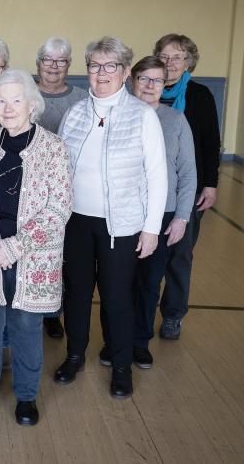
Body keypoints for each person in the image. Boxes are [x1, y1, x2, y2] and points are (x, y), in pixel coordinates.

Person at [54, 37, 167, 399]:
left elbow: (157, 175)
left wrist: (151, 229)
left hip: (122, 224)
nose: (101, 74)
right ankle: (74, 355)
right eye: (94, 66)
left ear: (125, 72)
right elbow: (57, 168)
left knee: (117, 297)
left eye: (110, 66)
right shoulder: (75, 112)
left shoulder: (143, 115)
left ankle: (120, 367)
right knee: (77, 294)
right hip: (76, 222)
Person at [0, 69, 71, 426]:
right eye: (2, 101)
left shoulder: (54, 148)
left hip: (33, 258)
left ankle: (26, 397)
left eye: (16, 100)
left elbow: (58, 208)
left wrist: (14, 247)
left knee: (27, 330)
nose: (8, 108)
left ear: (32, 104)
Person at [152, 34, 221, 339]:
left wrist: (211, 184)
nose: (170, 63)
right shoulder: (145, 90)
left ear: (189, 61)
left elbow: (210, 143)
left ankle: (173, 314)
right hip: (149, 191)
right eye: (164, 57)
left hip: (187, 191)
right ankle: (143, 308)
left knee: (179, 255)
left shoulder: (200, 95)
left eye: (177, 57)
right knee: (147, 254)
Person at [130, 56, 196, 368]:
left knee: (148, 282)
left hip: (162, 216)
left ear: (164, 85)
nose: (150, 85)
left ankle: (139, 341)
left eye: (157, 80)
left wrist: (182, 216)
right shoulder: (121, 115)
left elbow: (188, 173)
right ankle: (115, 341)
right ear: (133, 81)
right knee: (118, 284)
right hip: (123, 215)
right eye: (144, 79)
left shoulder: (175, 120)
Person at [34, 36, 88, 339]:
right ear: (38, 62)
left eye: (61, 60)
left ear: (69, 64)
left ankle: (53, 313)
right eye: (48, 59)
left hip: (67, 191)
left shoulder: (81, 98)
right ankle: (34, 308)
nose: (54, 67)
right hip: (29, 190)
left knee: (62, 255)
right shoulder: (27, 94)